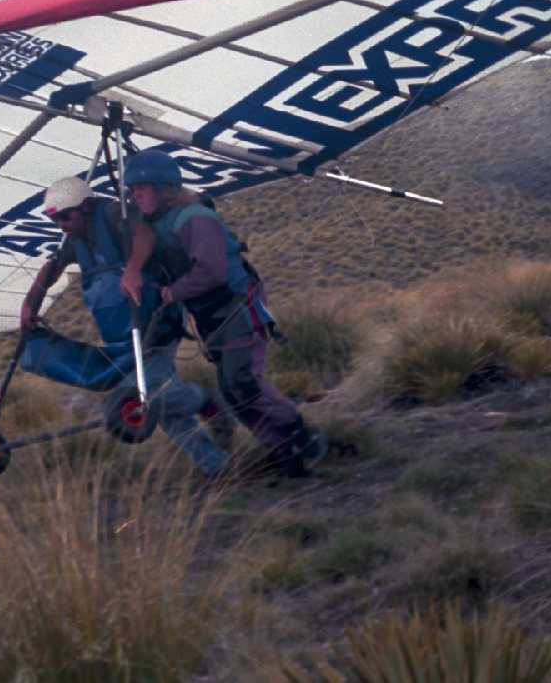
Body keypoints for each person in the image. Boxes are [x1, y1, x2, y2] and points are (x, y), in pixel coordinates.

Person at [119, 150, 328, 478]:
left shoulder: (194, 218)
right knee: (233, 392)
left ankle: (304, 436)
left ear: (164, 187)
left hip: (236, 306)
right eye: (133, 190)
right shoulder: (158, 222)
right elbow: (145, 237)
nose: (137, 195)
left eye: (143, 188)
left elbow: (212, 271)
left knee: (243, 383)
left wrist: (172, 293)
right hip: (211, 316)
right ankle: (285, 452)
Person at [19, 175, 231, 475]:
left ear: (86, 206)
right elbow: (51, 268)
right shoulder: (75, 240)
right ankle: (216, 463)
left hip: (156, 320)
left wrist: (132, 270)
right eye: (56, 220)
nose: (62, 225)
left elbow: (145, 235)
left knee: (149, 396)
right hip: (124, 335)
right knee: (156, 401)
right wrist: (30, 304)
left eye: (66, 216)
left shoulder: (110, 214)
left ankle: (206, 402)